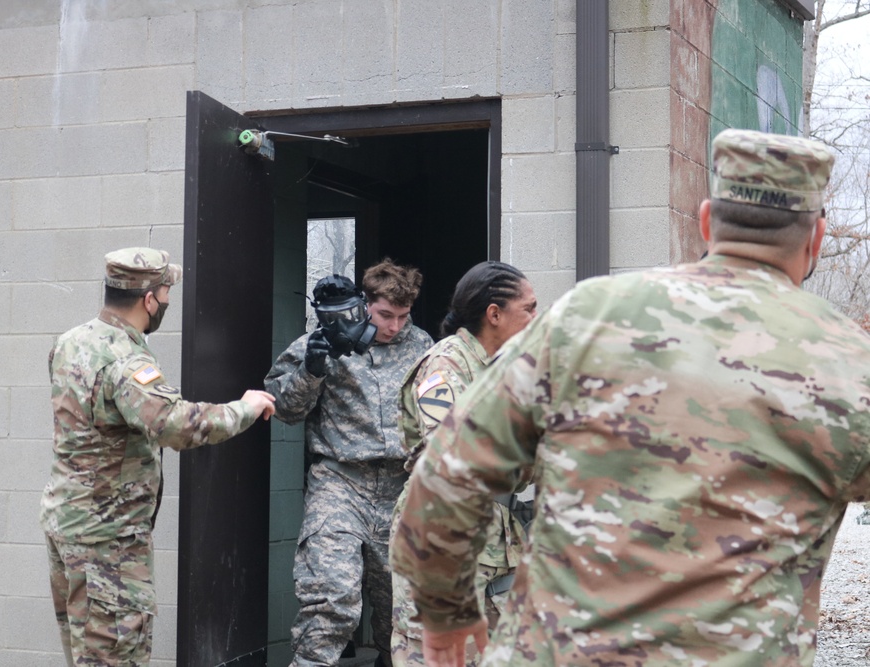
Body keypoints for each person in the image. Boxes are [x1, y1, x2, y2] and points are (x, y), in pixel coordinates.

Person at [392, 128, 870, 667]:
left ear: (708, 220)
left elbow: (448, 474)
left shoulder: (588, 315)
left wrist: (446, 614)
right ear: (818, 238)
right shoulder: (847, 362)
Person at [40, 247, 276, 666]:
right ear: (149, 299)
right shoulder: (125, 360)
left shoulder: (70, 341)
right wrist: (246, 407)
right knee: (116, 658)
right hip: (107, 541)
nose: (167, 301)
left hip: (67, 525)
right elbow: (177, 425)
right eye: (166, 292)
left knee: (86, 657)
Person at [265, 259, 434, 667]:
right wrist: (312, 371)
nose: (394, 326)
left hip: (401, 488)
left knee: (402, 611)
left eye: (403, 316)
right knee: (331, 598)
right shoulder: (322, 342)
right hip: (340, 484)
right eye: (385, 315)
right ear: (363, 306)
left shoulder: (422, 345)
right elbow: (284, 408)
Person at [390, 261, 537, 667]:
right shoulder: (446, 365)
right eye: (529, 309)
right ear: (494, 314)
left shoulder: (505, 368)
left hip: (493, 539)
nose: (536, 320)